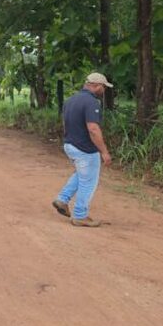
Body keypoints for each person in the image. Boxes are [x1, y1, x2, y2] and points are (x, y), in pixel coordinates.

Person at [52, 72, 113, 227]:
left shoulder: (71, 100)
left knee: (81, 175)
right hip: (85, 149)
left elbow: (65, 123)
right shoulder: (92, 102)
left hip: (70, 144)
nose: (104, 90)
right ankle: (80, 215)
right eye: (104, 87)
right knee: (89, 181)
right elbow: (93, 128)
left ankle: (62, 199)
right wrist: (104, 152)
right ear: (97, 86)